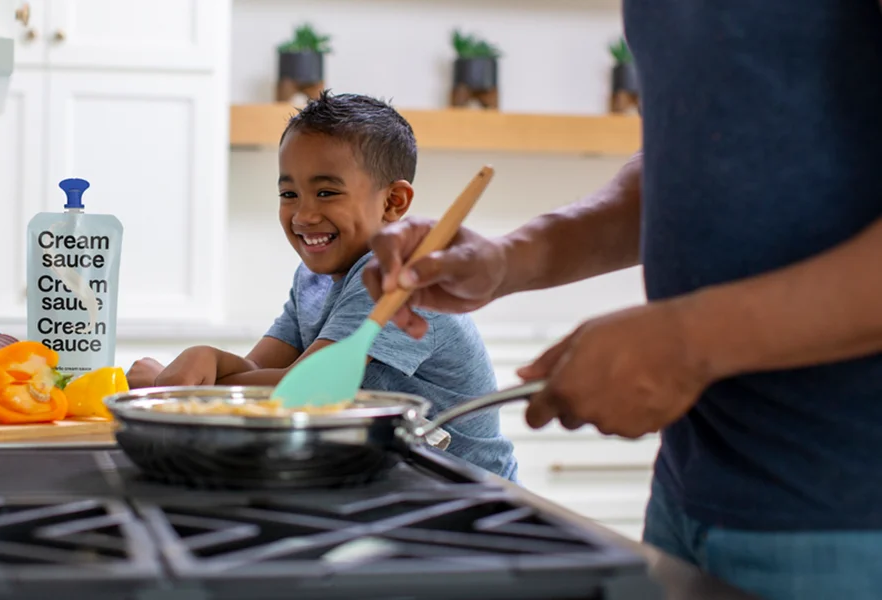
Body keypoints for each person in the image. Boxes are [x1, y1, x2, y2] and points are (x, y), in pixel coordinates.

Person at [361, 4, 882, 598]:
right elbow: (694, 158)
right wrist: (511, 258)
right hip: (694, 491)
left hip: (853, 520)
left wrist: (689, 341)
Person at [126, 91, 518, 480]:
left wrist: (180, 391)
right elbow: (260, 376)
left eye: (326, 193)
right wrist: (207, 362)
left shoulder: (393, 277)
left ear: (393, 202)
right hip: (394, 483)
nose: (303, 214)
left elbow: (295, 393)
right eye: (288, 194)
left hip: (467, 496)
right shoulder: (312, 280)